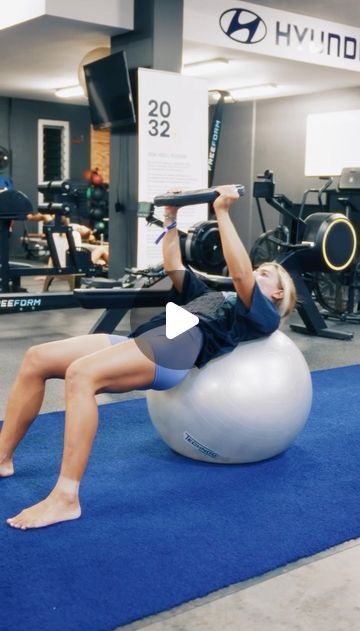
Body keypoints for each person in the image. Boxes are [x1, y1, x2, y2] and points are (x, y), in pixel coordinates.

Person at [0, 185, 296, 530]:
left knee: (81, 375)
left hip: (178, 344)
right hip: (149, 337)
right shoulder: (218, 295)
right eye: (259, 269)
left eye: (265, 274)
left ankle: (66, 497)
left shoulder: (262, 315)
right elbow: (175, 266)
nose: (255, 272)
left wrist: (223, 212)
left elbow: (241, 273)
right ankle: (3, 457)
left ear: (277, 292)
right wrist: (171, 221)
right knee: (37, 358)